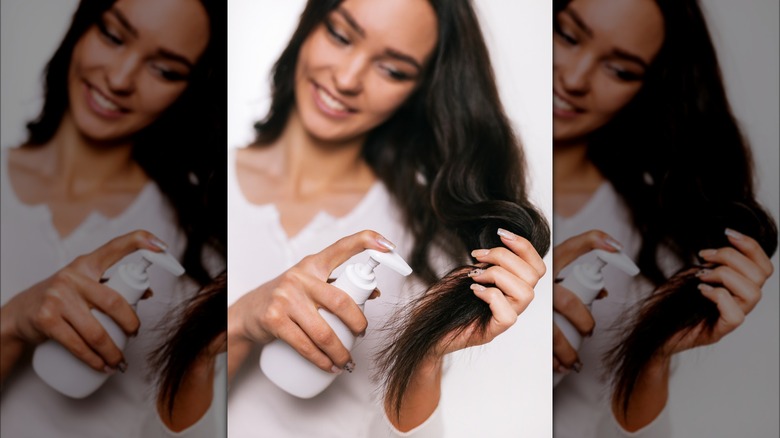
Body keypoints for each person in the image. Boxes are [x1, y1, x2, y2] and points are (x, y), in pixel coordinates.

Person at [226, 0, 550, 437]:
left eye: (393, 70)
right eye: (341, 36)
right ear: (309, 25)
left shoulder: (425, 243)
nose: (346, 79)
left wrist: (425, 353)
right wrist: (240, 324)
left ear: (419, 90)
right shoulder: (188, 197)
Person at [550, 0, 778, 437]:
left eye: (620, 70)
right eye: (568, 36)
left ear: (649, 86)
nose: (575, 79)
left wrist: (653, 352)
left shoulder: (658, 231)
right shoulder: (446, 193)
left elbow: (630, 426)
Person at [0, 0, 226, 436]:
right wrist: (14, 321)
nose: (120, 79)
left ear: (191, 89)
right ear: (82, 27)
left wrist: (201, 357)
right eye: (114, 36)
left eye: (165, 70)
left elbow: (184, 427)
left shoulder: (197, 244)